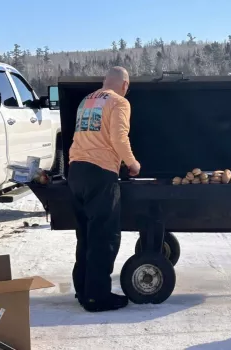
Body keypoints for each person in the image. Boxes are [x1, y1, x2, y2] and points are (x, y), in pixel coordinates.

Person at [67, 66, 141, 312]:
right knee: (104, 236)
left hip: (76, 171)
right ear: (125, 85)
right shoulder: (120, 102)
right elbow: (119, 138)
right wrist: (132, 164)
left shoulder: (87, 100)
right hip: (99, 172)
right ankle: (97, 297)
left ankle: (83, 290)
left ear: (104, 82)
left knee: (86, 235)